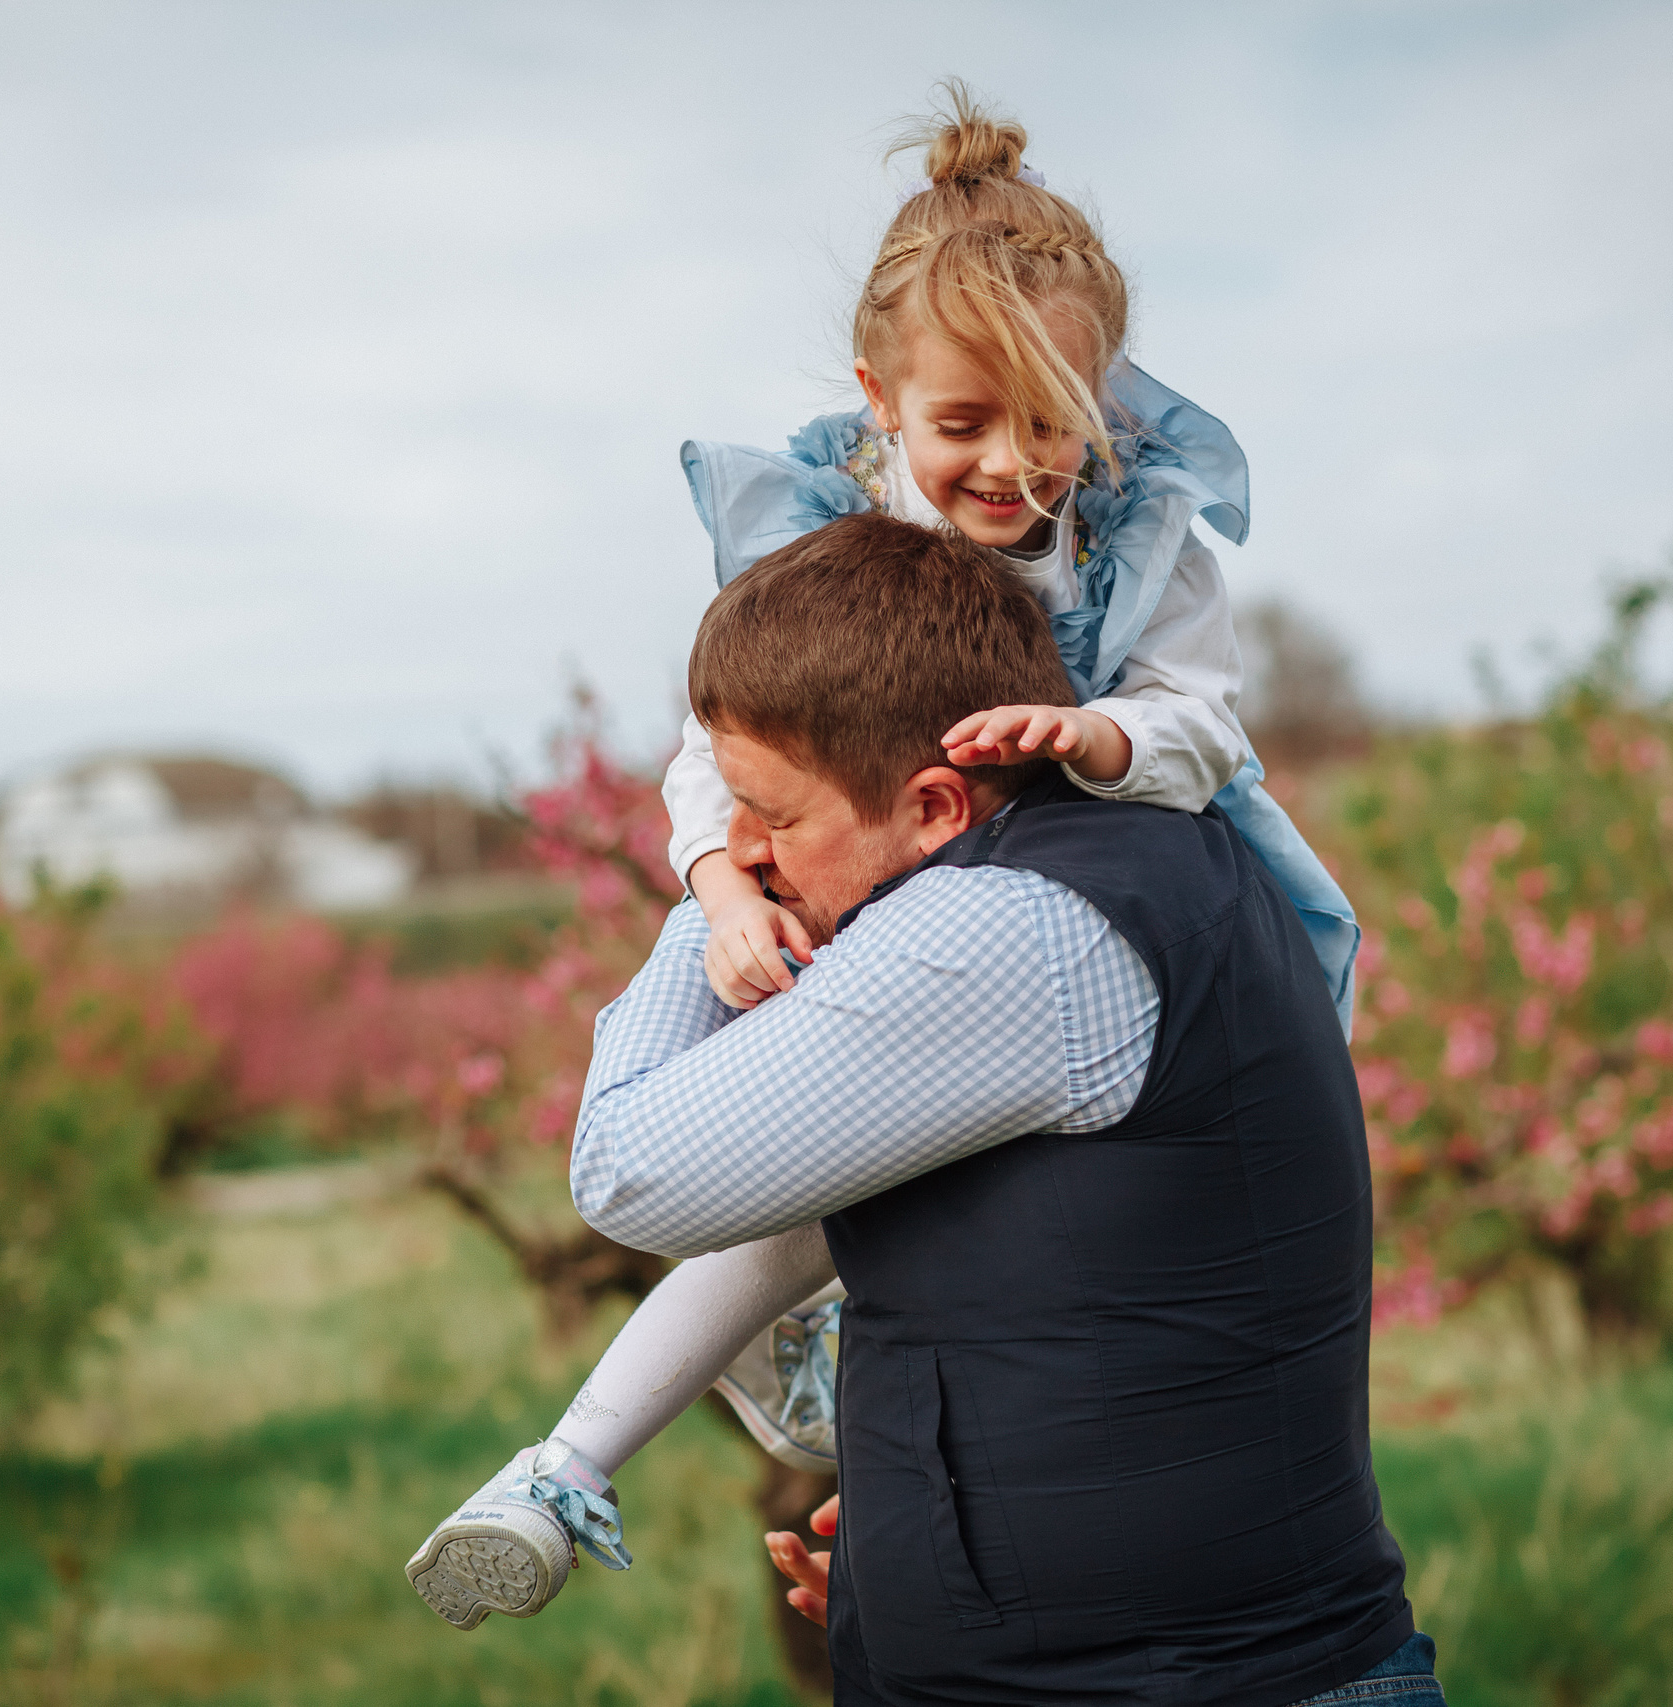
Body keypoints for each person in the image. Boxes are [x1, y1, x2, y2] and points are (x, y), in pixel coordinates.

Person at [405, 80, 1360, 1628]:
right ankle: (579, 1454)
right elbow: (728, 754)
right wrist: (727, 878)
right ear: (880, 401)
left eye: (1054, 422)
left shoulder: (1135, 538)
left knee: (830, 1204)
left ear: (1103, 399)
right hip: (912, 883)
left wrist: (1096, 742)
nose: (1012, 468)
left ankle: (586, 1457)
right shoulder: (832, 546)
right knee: (856, 1207)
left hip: (1053, 830)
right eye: (962, 424)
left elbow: (1201, 717)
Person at [439, 515, 1437, 1703]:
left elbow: (626, 1170)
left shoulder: (1004, 926)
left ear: (932, 806)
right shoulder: (1116, 865)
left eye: (774, 818)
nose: (745, 849)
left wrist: (711, 909)